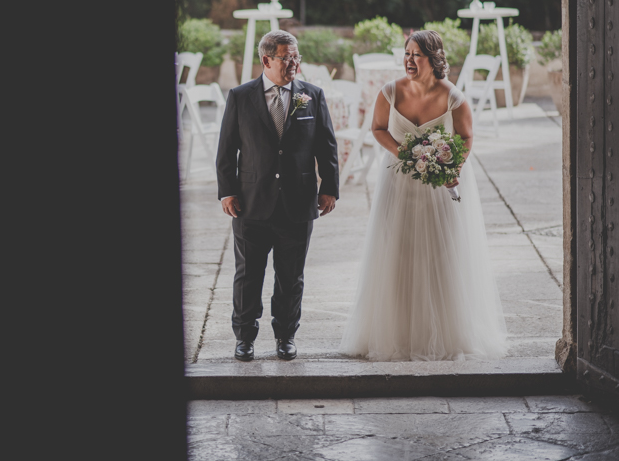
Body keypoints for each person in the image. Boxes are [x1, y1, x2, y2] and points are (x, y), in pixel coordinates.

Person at [339, 30, 507, 361]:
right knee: (396, 250)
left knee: (441, 253)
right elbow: (377, 129)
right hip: (398, 183)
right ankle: (395, 332)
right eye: (407, 53)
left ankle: (445, 332)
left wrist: (452, 167)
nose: (409, 60)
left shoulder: (453, 97)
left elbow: (466, 138)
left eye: (416, 55)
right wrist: (404, 153)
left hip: (438, 187)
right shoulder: (390, 92)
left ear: (433, 59)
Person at [216, 30, 339, 362]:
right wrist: (227, 191)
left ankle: (286, 335)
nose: (293, 63)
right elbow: (226, 150)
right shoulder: (240, 97)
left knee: (291, 276)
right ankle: (244, 338)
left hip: (298, 203)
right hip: (250, 203)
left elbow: (327, 146)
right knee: (248, 276)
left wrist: (329, 187)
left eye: (296, 57)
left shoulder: (312, 95)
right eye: (287, 57)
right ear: (266, 59)